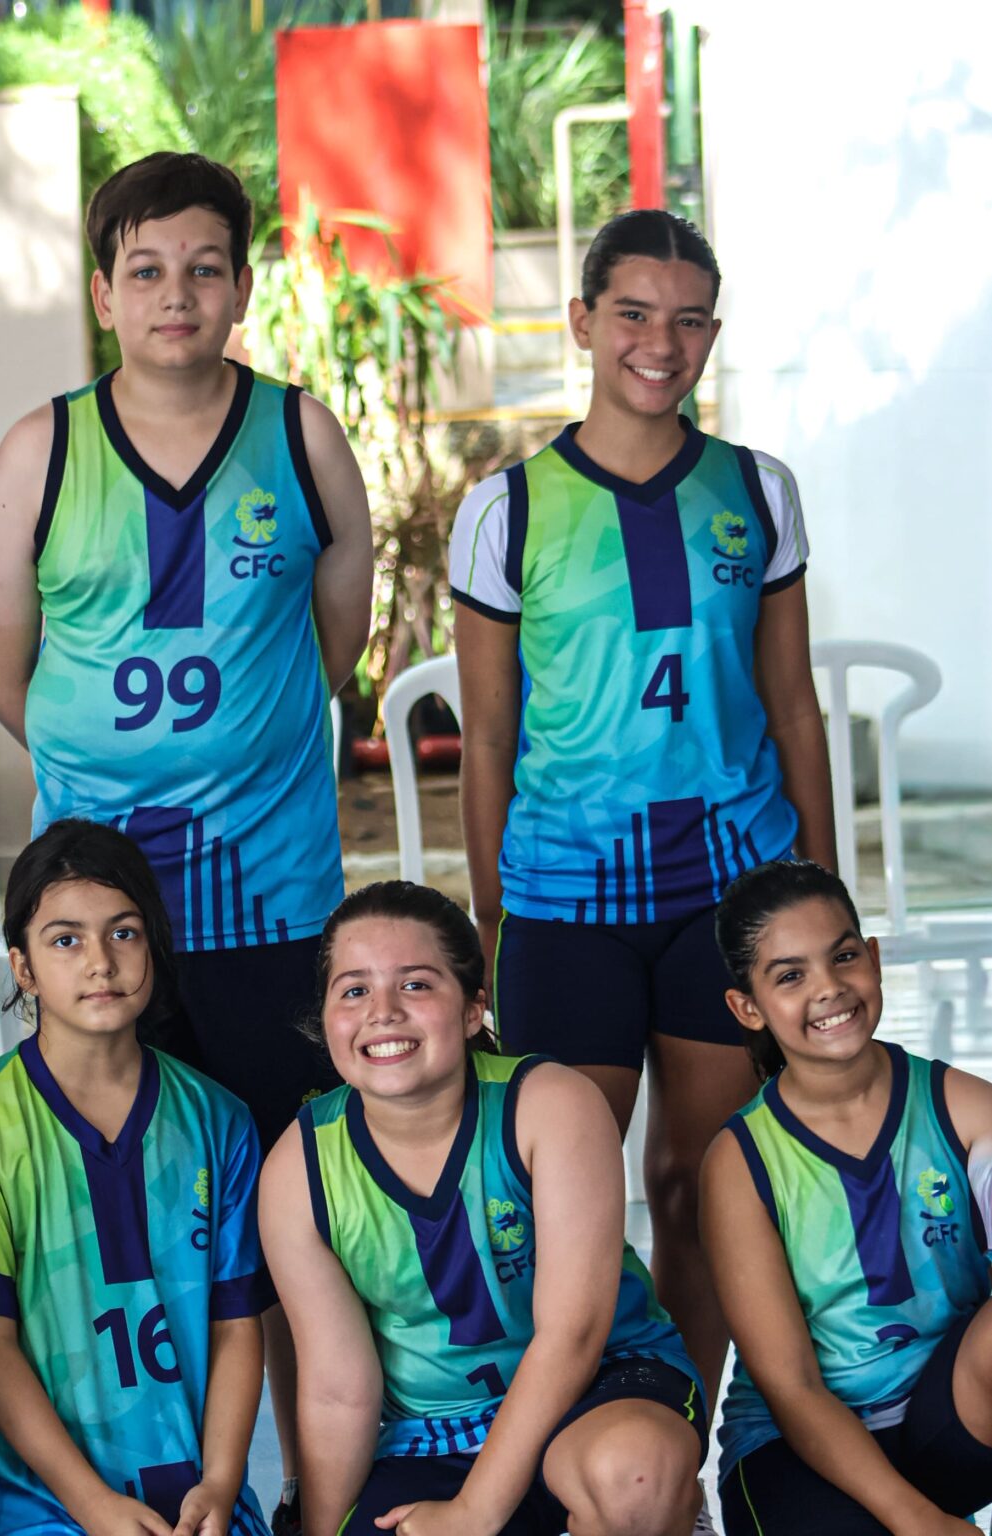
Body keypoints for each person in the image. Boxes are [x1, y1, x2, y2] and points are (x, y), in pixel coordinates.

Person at [0, 150, 372, 1527]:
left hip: (268, 904)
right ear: (103, 292)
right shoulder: (42, 448)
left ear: (242, 287)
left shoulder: (299, 436)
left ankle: (308, 1503)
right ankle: (145, 1492)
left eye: (203, 268)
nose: (175, 294)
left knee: (297, 1235)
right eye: (145, 269)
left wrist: (244, 746)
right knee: (122, 1232)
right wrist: (104, 771)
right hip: (110, 914)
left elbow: (338, 630)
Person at [448, 208, 834, 1402]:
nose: (659, 344)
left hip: (728, 895)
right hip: (567, 899)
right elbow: (487, 740)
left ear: (711, 332)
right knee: (552, 1198)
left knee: (698, 1184)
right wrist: (493, 919)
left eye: (687, 320)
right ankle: (562, 1443)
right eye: (630, 314)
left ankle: (677, 1437)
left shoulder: (755, 491)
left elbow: (791, 708)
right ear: (580, 321)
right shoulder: (506, 510)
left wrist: (819, 903)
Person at [259, 881, 708, 1536]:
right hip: (431, 1433)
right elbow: (338, 1391)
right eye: (353, 990)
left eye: (415, 984)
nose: (382, 1012)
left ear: (473, 1009)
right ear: (325, 1017)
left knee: (632, 1479)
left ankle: (672, 1512)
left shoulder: (549, 1105)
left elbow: (572, 1336)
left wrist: (474, 1513)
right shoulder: (298, 1169)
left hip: (600, 1389)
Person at [0, 818, 275, 1535]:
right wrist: (91, 1505)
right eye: (65, 940)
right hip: (42, 1505)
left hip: (196, 1495)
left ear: (154, 945)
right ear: (22, 967)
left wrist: (221, 1480)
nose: (100, 962)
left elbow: (236, 1324)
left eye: (123, 932)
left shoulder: (219, 1120)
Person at [701, 860, 992, 1534]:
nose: (829, 988)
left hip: (944, 1421)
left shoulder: (960, 1106)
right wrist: (920, 1523)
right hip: (797, 1448)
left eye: (843, 957)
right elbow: (793, 1388)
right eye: (790, 976)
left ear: (875, 958)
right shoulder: (740, 1163)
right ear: (747, 1007)